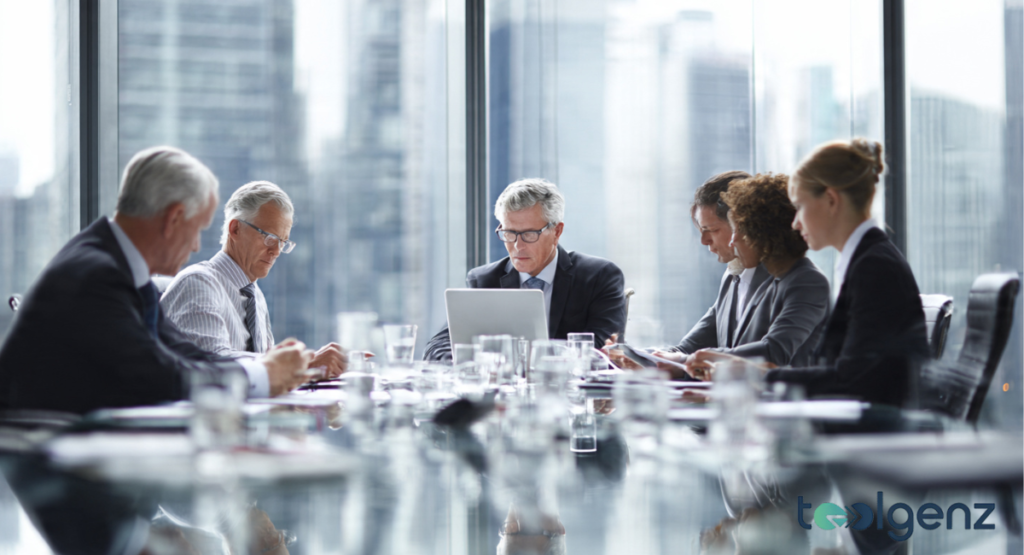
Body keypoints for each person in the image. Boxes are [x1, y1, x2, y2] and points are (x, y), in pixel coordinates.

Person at [0, 146, 312, 415]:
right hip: (48, 456)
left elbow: (183, 353)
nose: (195, 246)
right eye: (197, 230)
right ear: (174, 219)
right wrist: (261, 376)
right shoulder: (97, 275)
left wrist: (264, 371)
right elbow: (156, 375)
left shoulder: (119, 268)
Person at [768, 138, 929, 406]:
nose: (795, 223)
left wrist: (759, 378)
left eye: (799, 207)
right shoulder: (866, 260)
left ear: (831, 200)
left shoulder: (874, 268)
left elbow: (854, 382)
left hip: (871, 434)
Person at [423, 178, 626, 361]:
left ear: (557, 231)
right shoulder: (485, 279)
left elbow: (603, 349)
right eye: (509, 233)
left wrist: (528, 360)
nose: (518, 246)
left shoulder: (599, 276)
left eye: (529, 234)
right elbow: (437, 347)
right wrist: (469, 366)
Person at [161, 181, 346, 378]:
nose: (276, 251)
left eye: (283, 242)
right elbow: (211, 362)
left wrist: (315, 370)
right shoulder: (198, 283)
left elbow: (262, 379)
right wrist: (301, 365)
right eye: (269, 238)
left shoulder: (254, 295)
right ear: (235, 230)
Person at [656, 173, 830, 378]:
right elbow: (690, 347)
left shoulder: (805, 281)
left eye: (712, 229)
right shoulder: (732, 276)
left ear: (758, 229)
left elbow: (773, 353)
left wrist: (685, 361)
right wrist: (647, 358)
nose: (733, 240)